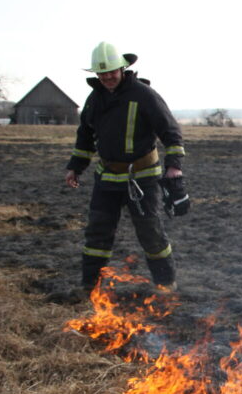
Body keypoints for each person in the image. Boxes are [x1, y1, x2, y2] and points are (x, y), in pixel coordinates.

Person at [65, 41, 190, 293]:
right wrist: (76, 166)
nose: (107, 77)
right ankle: (90, 286)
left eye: (111, 71)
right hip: (107, 178)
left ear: (123, 68)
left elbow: (170, 131)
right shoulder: (94, 99)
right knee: (97, 234)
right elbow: (85, 136)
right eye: (102, 73)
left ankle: (166, 285)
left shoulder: (143, 95)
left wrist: (174, 166)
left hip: (142, 178)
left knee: (151, 233)